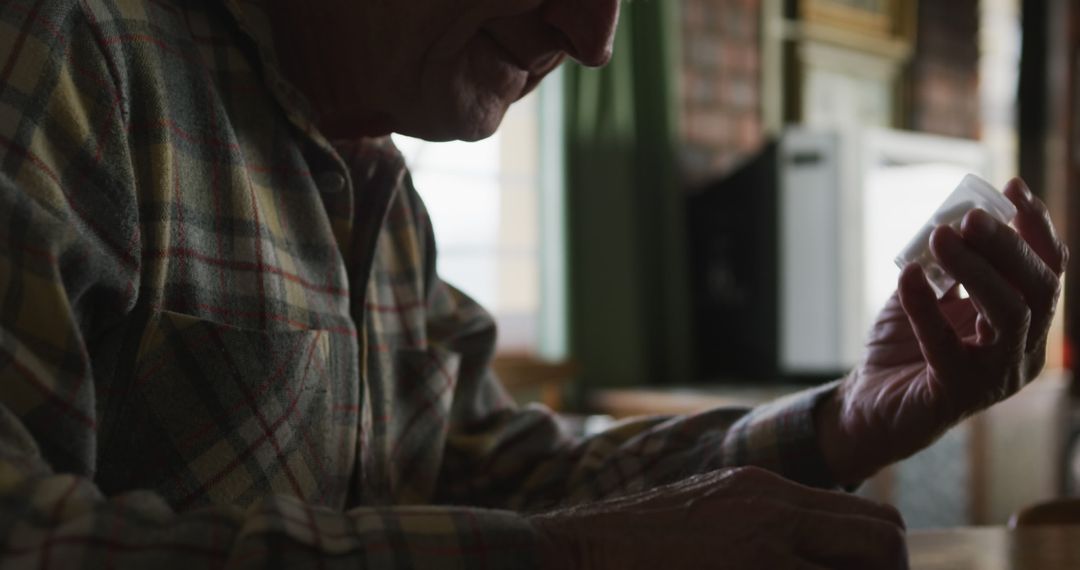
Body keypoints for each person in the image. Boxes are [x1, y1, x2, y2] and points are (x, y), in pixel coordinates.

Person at [0, 0, 1065, 567]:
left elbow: (497, 480)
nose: (594, 38)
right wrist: (571, 562)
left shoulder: (379, 186)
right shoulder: (66, 53)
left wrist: (846, 421)